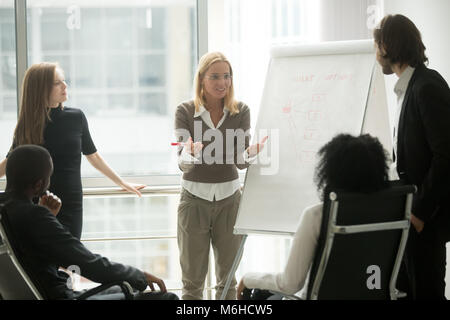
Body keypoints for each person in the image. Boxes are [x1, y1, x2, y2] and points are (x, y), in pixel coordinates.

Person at [0, 145, 177, 300]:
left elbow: (35, 255)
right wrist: (139, 276)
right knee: (166, 298)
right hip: (59, 295)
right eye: (49, 177)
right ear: (39, 185)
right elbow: (88, 264)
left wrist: (48, 216)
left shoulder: (6, 210)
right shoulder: (35, 217)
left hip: (37, 293)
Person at [0, 62, 145, 240]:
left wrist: (122, 183)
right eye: (57, 83)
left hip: (71, 203)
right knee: (43, 260)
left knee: (72, 263)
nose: (65, 85)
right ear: (41, 88)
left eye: (64, 80)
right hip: (38, 204)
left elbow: (94, 157)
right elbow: (10, 162)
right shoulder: (28, 125)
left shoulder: (76, 117)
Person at [237, 134, 389, 300]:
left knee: (258, 296)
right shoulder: (389, 213)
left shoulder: (317, 216)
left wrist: (248, 279)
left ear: (331, 171)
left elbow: (289, 284)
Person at [174, 52, 267, 300]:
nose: (222, 82)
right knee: (192, 284)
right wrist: (190, 153)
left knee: (227, 283)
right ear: (202, 79)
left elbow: (239, 162)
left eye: (227, 76)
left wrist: (250, 153)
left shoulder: (240, 111)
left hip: (230, 200)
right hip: (193, 201)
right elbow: (183, 165)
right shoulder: (184, 111)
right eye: (215, 76)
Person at [374, 14, 450, 300]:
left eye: (376, 46)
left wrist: (419, 212)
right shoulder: (408, 87)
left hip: (425, 218)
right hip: (410, 216)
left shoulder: (426, 86)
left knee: (427, 293)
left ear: (387, 47)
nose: (376, 54)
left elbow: (446, 157)